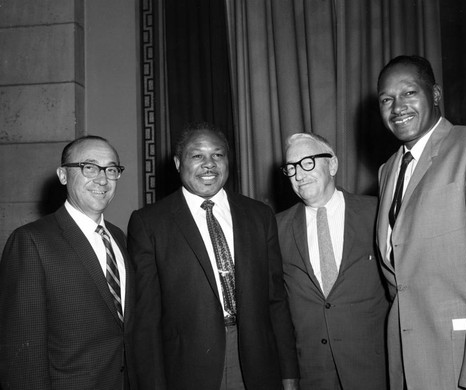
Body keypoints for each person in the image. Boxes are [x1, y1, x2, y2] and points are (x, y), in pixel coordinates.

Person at [128, 122, 299, 390]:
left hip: (257, 364)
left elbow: (276, 300)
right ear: (177, 162)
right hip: (187, 370)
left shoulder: (259, 215)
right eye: (197, 156)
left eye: (217, 155)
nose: (209, 164)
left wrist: (289, 374)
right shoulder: (149, 223)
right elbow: (146, 321)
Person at [376, 55, 466, 389]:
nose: (397, 106)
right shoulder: (387, 170)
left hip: (461, 359)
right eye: (386, 99)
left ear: (435, 94)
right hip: (406, 362)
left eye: (409, 93)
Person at [0, 135, 135, 389]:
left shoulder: (118, 237)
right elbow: (22, 356)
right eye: (89, 167)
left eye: (112, 169)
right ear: (63, 175)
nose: (103, 179)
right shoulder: (31, 241)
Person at [276, 133, 389, 390]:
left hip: (373, 372)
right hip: (312, 376)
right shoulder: (276, 228)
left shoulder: (376, 213)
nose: (299, 174)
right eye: (291, 167)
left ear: (333, 164)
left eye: (307, 162)